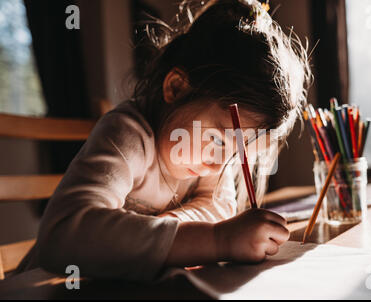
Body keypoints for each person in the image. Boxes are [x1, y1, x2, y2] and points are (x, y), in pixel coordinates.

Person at [17, 0, 311, 282]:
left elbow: (217, 207)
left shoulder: (211, 156)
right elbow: (66, 236)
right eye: (218, 139)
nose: (219, 163)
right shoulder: (127, 134)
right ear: (177, 87)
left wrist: (164, 232)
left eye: (238, 153)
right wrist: (214, 239)